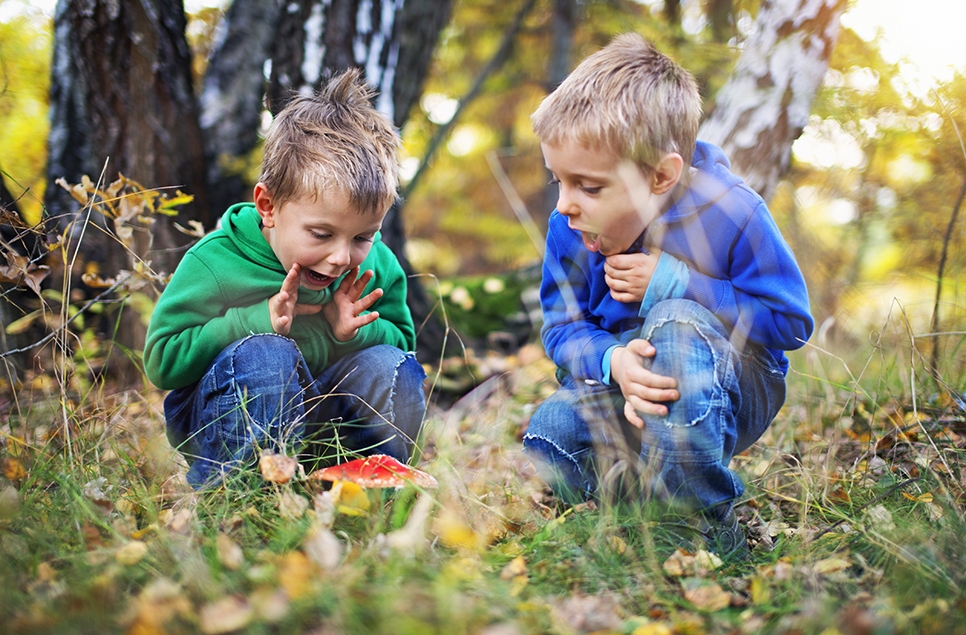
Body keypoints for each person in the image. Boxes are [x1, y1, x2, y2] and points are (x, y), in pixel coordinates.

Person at [522, 33, 814, 559]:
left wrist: (679, 283)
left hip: (732, 387)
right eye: (557, 180)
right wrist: (613, 360)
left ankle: (701, 527)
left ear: (660, 175)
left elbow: (789, 323)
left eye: (588, 187)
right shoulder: (568, 228)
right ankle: (638, 504)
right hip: (623, 392)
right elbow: (562, 327)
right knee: (551, 434)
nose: (565, 204)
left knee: (677, 319)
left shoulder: (732, 211)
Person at [144, 69, 426, 489]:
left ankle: (364, 489)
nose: (340, 257)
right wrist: (250, 321)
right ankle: (240, 493)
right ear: (268, 206)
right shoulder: (218, 261)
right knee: (266, 355)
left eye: (363, 236)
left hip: (326, 426)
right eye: (321, 234)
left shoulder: (375, 265)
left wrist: (351, 332)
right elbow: (162, 361)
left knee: (389, 365)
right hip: (229, 421)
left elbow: (404, 349)